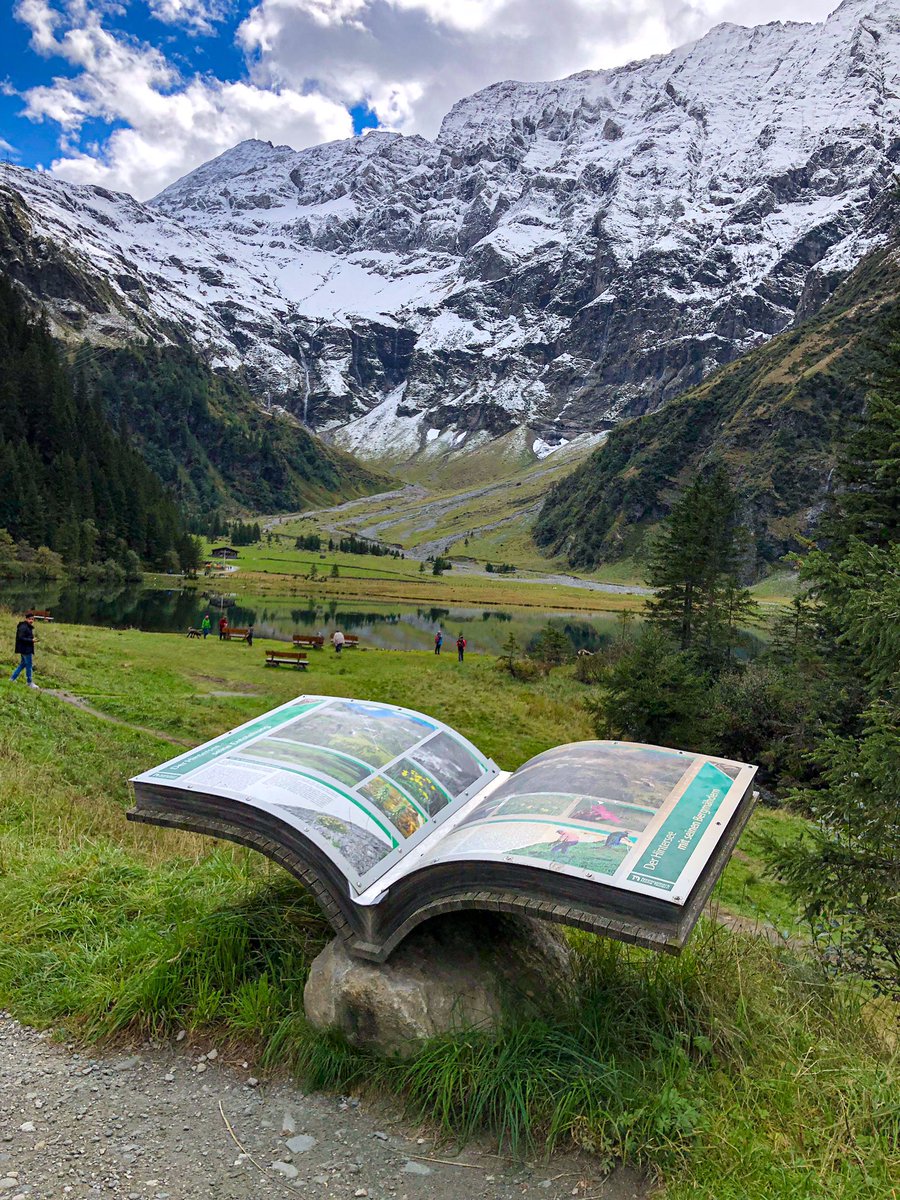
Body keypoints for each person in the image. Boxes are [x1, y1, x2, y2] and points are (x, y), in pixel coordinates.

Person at [10, 611, 38, 689]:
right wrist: (31, 640)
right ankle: (29, 682)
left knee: (23, 664)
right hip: (25, 649)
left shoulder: (27, 627)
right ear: (26, 619)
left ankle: (12, 678)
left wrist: (31, 640)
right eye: (30, 619)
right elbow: (21, 638)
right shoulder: (23, 627)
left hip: (25, 648)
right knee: (29, 665)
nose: (31, 621)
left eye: (32, 619)